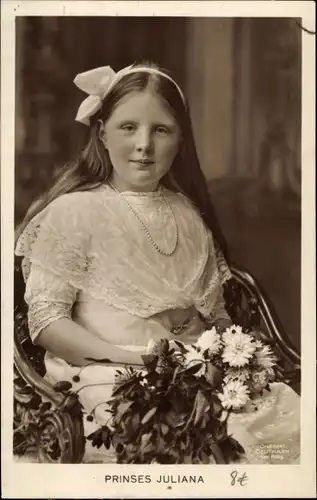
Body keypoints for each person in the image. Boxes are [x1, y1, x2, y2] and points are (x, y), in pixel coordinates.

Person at [15, 62, 300, 464]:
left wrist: (216, 354)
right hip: (108, 376)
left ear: (180, 140)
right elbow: (46, 325)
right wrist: (139, 360)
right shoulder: (74, 212)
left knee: (282, 429)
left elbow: (215, 316)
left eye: (161, 130)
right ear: (102, 133)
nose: (144, 144)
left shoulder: (187, 213)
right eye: (128, 127)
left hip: (193, 373)